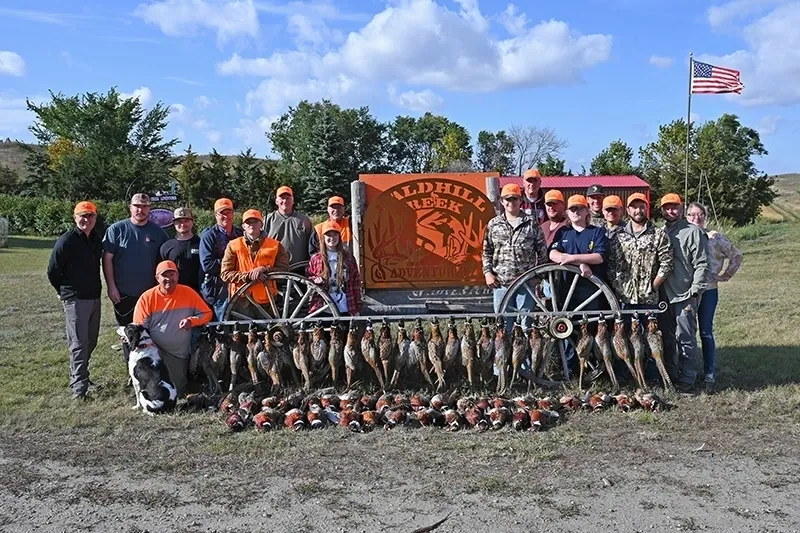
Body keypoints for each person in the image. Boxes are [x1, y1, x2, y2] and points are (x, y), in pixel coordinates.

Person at [47, 201, 103, 401]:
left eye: (90, 216)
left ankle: (82, 376)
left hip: (94, 297)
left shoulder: (96, 240)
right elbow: (53, 270)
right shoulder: (67, 240)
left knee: (91, 340)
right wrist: (63, 291)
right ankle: (79, 389)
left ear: (95, 218)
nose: (86, 220)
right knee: (79, 343)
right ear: (75, 217)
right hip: (75, 299)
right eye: (82, 216)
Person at [132, 260, 212, 396]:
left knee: (178, 390)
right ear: (157, 278)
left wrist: (191, 321)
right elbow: (138, 327)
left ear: (177, 276)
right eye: (165, 275)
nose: (169, 278)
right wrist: (149, 346)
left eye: (172, 274)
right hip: (153, 350)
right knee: (153, 389)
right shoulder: (147, 298)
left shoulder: (188, 293)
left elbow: (207, 313)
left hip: (177, 353)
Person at [686, 201, 742, 394]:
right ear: (686, 217)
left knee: (705, 332)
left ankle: (709, 372)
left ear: (705, 217)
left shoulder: (714, 237)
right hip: (687, 291)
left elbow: (736, 256)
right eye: (692, 215)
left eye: (700, 214)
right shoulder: (683, 235)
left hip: (709, 290)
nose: (696, 218)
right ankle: (686, 370)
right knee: (685, 332)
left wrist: (724, 275)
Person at [660, 193, 709, 393]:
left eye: (675, 207)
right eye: (667, 208)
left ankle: (688, 379)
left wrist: (695, 290)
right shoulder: (661, 232)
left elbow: (702, 263)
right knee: (666, 339)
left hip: (684, 294)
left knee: (686, 338)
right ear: (662, 210)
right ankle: (671, 375)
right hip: (663, 295)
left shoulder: (693, 232)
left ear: (682, 209)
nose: (671, 211)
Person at [482, 183, 547, 330]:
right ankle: (506, 353)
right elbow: (487, 251)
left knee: (525, 325)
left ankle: (525, 353)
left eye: (515, 199)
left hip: (526, 283)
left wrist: (538, 278)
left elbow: (542, 253)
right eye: (508, 199)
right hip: (501, 283)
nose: (511, 202)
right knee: (504, 326)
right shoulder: (494, 224)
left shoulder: (531, 223)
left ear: (520, 201)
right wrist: (488, 273)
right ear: (502, 202)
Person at [103, 193, 169, 330]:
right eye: (137, 206)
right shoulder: (116, 230)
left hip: (150, 292)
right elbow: (107, 259)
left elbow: (165, 261)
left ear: (149, 209)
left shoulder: (158, 233)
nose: (141, 210)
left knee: (149, 332)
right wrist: (111, 286)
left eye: (144, 206)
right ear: (130, 208)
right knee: (127, 333)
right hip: (123, 293)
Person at [220, 209, 290, 317]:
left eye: (255, 221)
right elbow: (225, 274)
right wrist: (248, 276)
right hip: (241, 301)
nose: (251, 225)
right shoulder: (233, 245)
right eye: (248, 222)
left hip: (267, 301)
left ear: (261, 224)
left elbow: (284, 272)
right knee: (241, 333)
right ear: (243, 226)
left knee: (267, 333)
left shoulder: (276, 245)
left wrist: (265, 269)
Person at [608, 193, 673, 308]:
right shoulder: (618, 236)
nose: (638, 210)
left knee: (650, 327)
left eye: (641, 207)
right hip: (624, 298)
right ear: (628, 210)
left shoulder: (658, 235)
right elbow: (611, 264)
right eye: (634, 207)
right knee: (624, 326)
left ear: (646, 208)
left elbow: (667, 263)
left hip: (649, 299)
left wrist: (653, 286)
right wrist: (617, 285)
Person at [549, 195, 609, 307]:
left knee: (593, 321)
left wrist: (571, 258)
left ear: (587, 211)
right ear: (567, 213)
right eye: (573, 209)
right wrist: (580, 263)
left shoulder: (596, 232)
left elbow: (599, 257)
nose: (576, 212)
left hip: (592, 287)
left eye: (580, 208)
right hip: (567, 287)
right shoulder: (563, 232)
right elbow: (553, 254)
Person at [199, 198, 243, 321]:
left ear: (233, 214)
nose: (225, 216)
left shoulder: (240, 234)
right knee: (223, 321)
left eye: (228, 212)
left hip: (240, 284)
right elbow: (207, 265)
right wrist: (232, 263)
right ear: (215, 215)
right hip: (219, 287)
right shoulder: (209, 236)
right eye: (221, 213)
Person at [307, 221, 362, 315]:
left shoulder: (349, 258)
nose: (332, 238)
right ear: (323, 238)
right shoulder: (316, 259)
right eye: (328, 235)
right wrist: (315, 280)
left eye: (335, 235)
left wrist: (357, 306)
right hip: (323, 307)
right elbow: (308, 278)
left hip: (346, 307)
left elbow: (355, 282)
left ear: (339, 237)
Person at [263, 185, 313, 268]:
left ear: (293, 201)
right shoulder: (267, 220)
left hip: (298, 269)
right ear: (276, 201)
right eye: (282, 198)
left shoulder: (304, 220)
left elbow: (312, 245)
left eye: (288, 198)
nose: (285, 201)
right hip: (274, 268)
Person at [160, 207, 202, 295]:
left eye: (186, 221)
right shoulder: (166, 247)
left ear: (192, 221)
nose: (182, 224)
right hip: (174, 293)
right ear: (173, 223)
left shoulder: (201, 243)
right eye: (179, 221)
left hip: (198, 293)